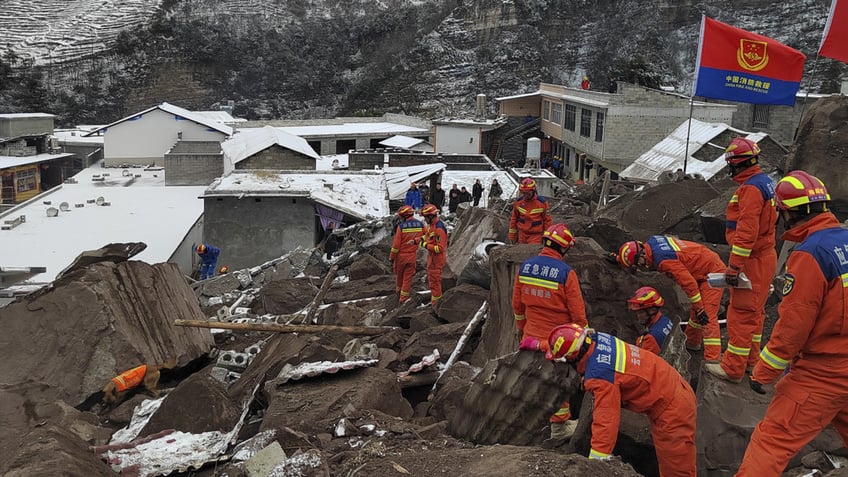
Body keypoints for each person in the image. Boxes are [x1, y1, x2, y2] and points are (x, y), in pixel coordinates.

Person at [737, 171, 848, 476]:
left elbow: (793, 327)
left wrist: (764, 372)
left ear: (789, 213)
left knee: (771, 442)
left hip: (822, 374)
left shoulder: (810, 254)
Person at [546, 324, 697, 477]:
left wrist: (596, 463)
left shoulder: (600, 375)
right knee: (670, 464)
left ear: (571, 358)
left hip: (672, 406)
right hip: (669, 387)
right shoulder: (598, 340)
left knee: (677, 470)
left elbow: (606, 420)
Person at [705, 138, 777, 383]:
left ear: (736, 163)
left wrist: (734, 266)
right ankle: (750, 361)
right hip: (765, 257)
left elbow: (746, 233)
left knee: (741, 314)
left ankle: (733, 368)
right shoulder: (765, 183)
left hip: (753, 260)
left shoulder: (751, 190)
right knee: (755, 314)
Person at [513, 223, 587, 439]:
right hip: (558, 340)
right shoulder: (566, 273)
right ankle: (559, 428)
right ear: (563, 248)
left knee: (533, 378)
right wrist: (583, 338)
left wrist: (523, 330)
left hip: (531, 336)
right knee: (558, 383)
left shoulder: (526, 267)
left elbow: (517, 306)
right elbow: (577, 313)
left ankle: (529, 421)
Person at [616, 236, 725, 362]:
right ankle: (691, 342)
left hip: (712, 271)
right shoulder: (652, 243)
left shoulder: (664, 261)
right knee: (696, 311)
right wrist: (618, 258)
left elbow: (689, 284)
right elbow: (633, 254)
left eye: (638, 263)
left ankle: (713, 359)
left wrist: (700, 308)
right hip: (703, 263)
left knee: (706, 314)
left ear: (641, 255)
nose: (640, 266)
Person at [389, 205, 424, 303]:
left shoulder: (401, 227)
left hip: (401, 256)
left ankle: (398, 294)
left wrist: (391, 258)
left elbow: (396, 246)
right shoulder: (420, 225)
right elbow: (427, 236)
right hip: (412, 255)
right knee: (407, 278)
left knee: (399, 276)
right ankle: (403, 299)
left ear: (404, 216)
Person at [626, 287, 674, 356]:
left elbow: (642, 361)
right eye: (637, 312)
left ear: (652, 311)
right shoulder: (665, 320)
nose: (638, 316)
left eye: (641, 312)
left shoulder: (650, 339)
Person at [508, 178, 552, 244]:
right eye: (523, 193)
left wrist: (547, 237)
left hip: (535, 235)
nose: (525, 195)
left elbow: (547, 220)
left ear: (533, 191)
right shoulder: (518, 203)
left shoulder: (542, 203)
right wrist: (512, 236)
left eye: (527, 193)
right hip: (522, 235)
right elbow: (514, 219)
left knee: (532, 250)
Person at [420, 204, 448, 306]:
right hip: (432, 259)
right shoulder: (432, 226)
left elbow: (440, 248)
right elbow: (427, 237)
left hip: (437, 260)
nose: (425, 219)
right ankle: (435, 303)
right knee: (432, 283)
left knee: (435, 283)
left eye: (426, 217)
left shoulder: (439, 228)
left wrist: (426, 245)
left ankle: (436, 305)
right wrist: (418, 240)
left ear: (431, 216)